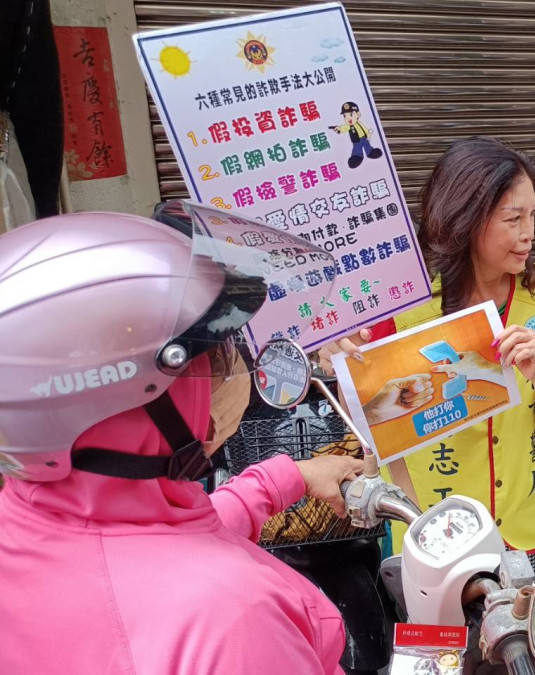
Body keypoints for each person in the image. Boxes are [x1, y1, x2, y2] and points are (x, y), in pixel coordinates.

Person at [0, 206, 363, 673]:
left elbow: (141, 550)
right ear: (138, 396)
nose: (231, 368)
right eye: (214, 353)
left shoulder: (28, 519)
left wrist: (284, 478)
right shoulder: (236, 622)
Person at [319, 136, 535, 573]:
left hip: (533, 527)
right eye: (513, 218)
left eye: (533, 215)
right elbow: (370, 418)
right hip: (436, 533)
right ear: (467, 219)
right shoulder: (405, 306)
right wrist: (340, 363)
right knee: (446, 644)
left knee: (531, 639)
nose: (529, 234)